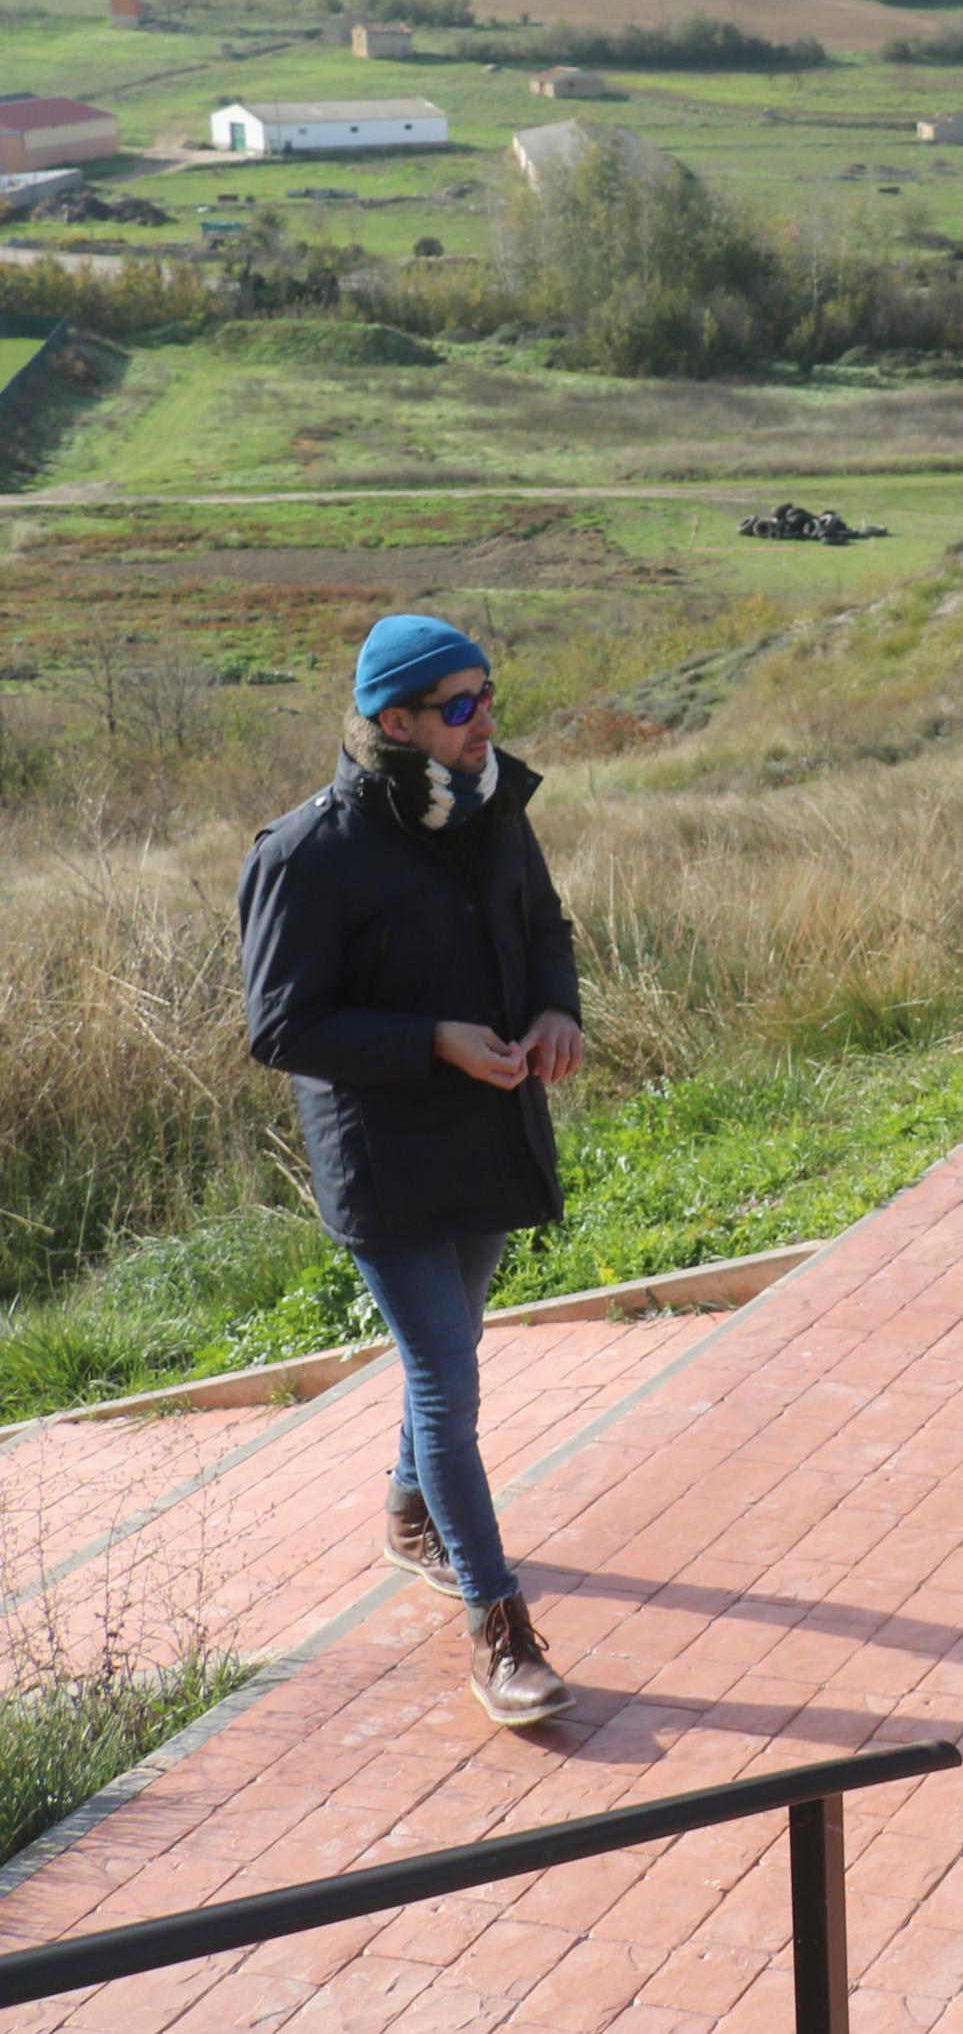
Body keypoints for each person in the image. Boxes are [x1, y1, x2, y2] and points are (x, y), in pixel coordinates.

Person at [235, 614, 581, 1728]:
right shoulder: (305, 853)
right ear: (396, 721)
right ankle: (498, 1623)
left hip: (487, 1128)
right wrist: (432, 1036)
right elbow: (283, 1024)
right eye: (460, 705)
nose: (485, 722)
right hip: (384, 1155)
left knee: (455, 1348)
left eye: (488, 695)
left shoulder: (494, 814)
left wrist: (554, 1009)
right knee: (445, 1377)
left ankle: (407, 1513)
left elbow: (546, 928)